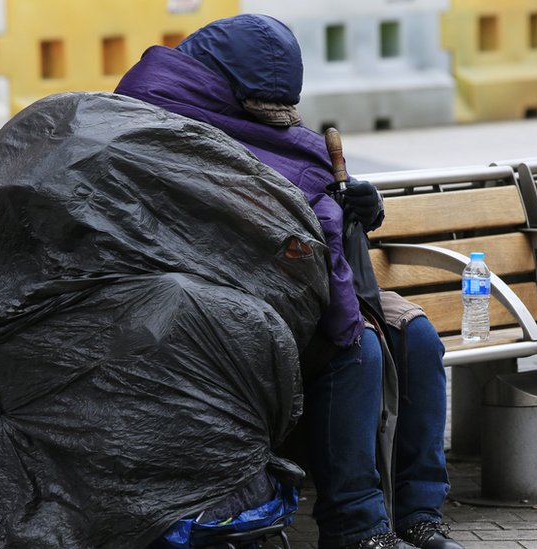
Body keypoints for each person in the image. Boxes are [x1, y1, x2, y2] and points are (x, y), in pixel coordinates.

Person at [115, 13, 463, 549]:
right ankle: (356, 528)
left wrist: (359, 211)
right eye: (264, 111)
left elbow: (296, 184)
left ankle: (420, 512)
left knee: (413, 335)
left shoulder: (245, 119)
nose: (281, 123)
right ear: (227, 89)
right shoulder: (153, 118)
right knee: (355, 347)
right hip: (210, 306)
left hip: (294, 286)